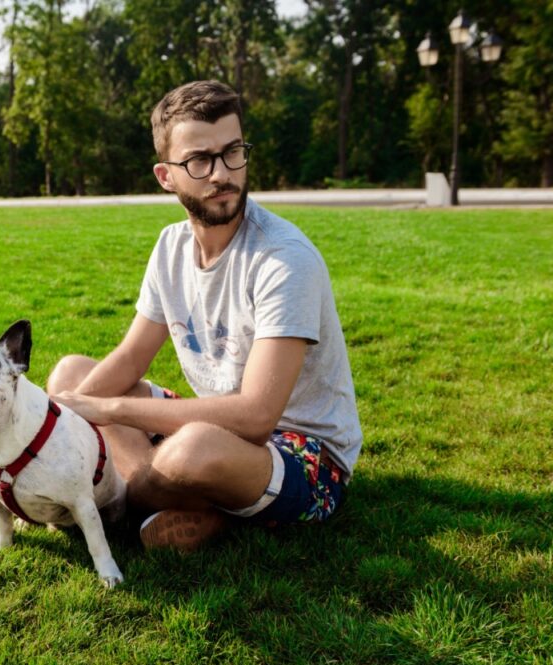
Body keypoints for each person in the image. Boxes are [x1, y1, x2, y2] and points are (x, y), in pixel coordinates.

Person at [48, 80, 362, 551]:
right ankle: (188, 506)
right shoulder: (171, 247)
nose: (222, 173)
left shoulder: (284, 258)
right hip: (219, 430)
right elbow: (132, 358)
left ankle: (115, 505)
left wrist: (107, 410)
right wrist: (48, 429)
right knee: (72, 373)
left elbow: (257, 417)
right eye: (200, 160)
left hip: (305, 454)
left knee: (192, 448)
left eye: (233, 151)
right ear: (166, 176)